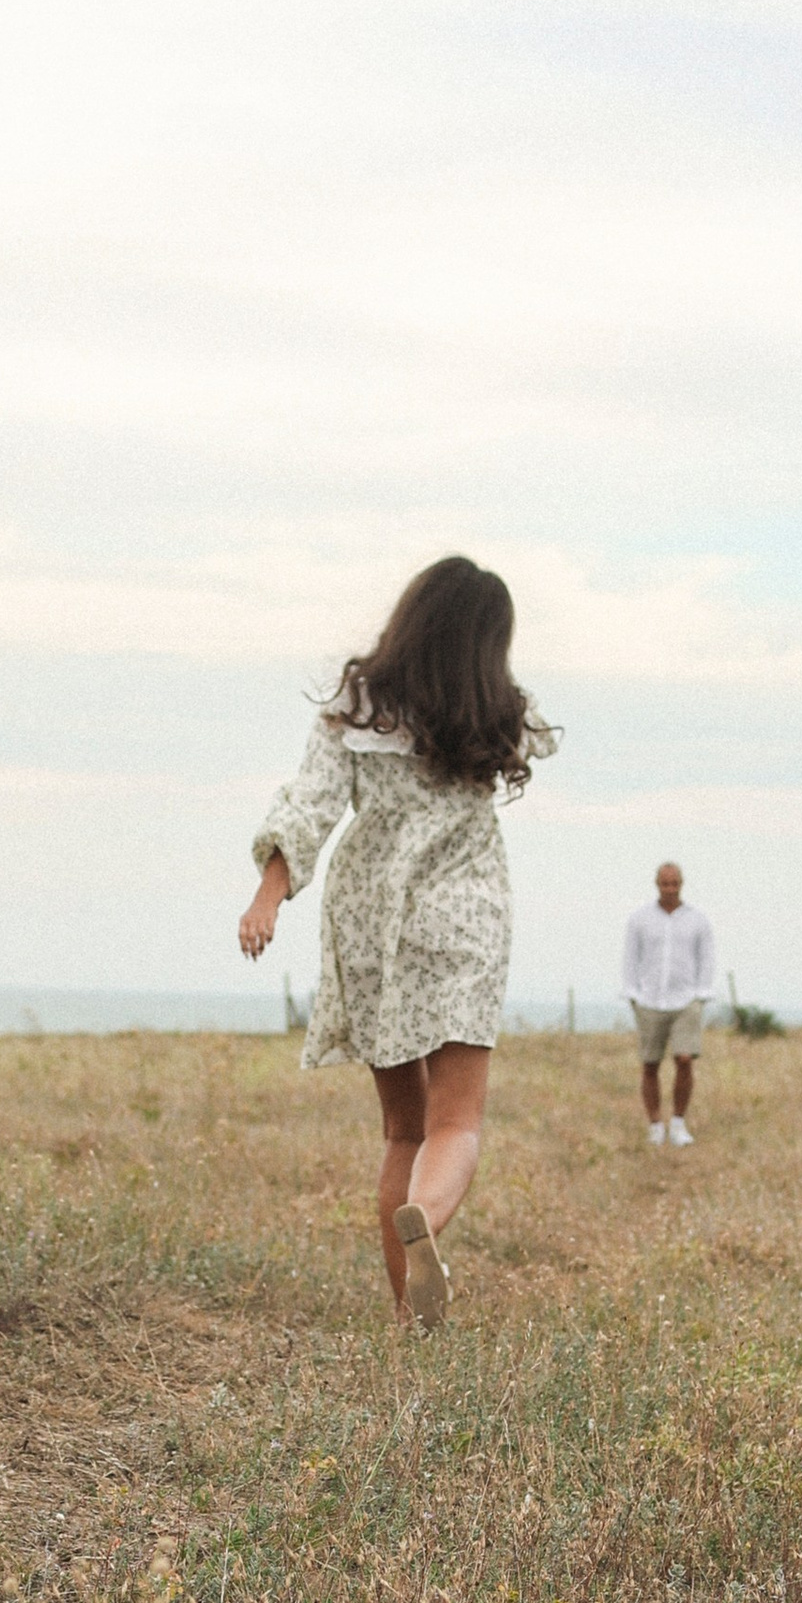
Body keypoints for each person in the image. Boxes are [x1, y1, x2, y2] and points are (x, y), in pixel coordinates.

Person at [239, 556, 555, 1325]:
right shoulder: (500, 710)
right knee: (456, 1123)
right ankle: (427, 1221)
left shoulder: (356, 704)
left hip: (371, 919)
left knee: (403, 1129)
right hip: (464, 917)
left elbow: (310, 805)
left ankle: (411, 1320)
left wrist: (268, 897)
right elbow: (539, 742)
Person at [623, 860, 717, 1147]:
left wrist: (701, 994)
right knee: (650, 1064)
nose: (670, 889)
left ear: (681, 884)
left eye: (674, 883)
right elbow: (631, 958)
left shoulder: (698, 920)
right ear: (657, 884)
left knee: (685, 1060)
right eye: (665, 884)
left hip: (686, 1000)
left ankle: (678, 1123)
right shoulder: (639, 919)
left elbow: (706, 958)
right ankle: (655, 1124)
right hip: (650, 1000)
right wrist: (633, 994)